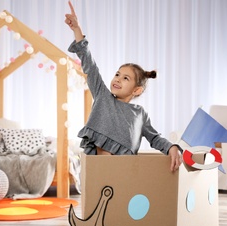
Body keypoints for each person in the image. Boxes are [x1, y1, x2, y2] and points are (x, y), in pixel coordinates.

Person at [65, 1, 182, 172]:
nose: (117, 79)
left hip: (126, 171)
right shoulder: (103, 96)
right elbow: (90, 65)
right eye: (117, 74)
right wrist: (77, 29)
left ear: (137, 90)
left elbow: (154, 138)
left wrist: (172, 147)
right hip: (101, 169)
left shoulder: (139, 113)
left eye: (125, 78)